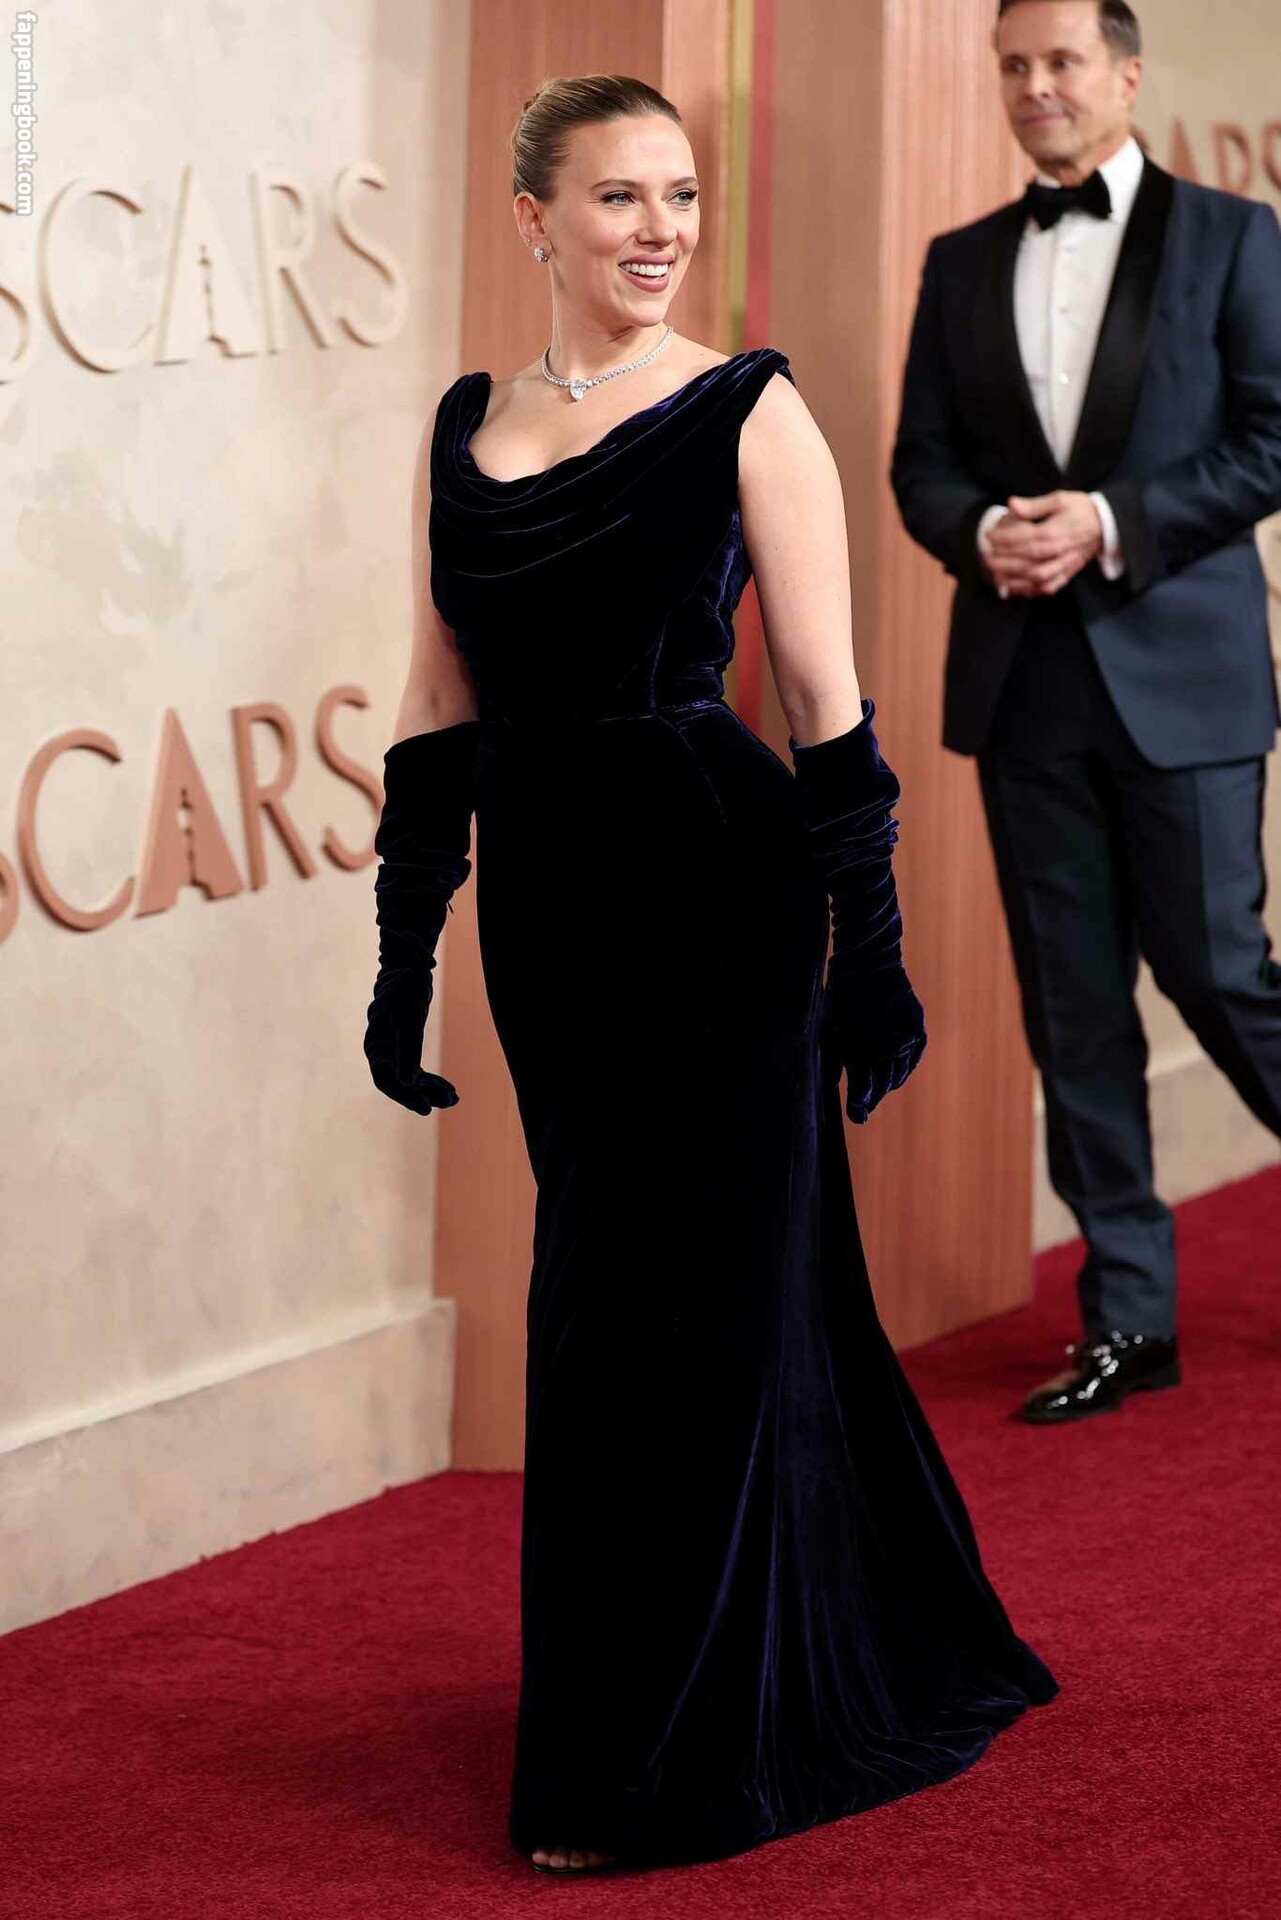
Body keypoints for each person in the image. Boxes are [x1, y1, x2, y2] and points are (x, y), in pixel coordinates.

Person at [363, 74, 1056, 1874]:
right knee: (599, 1314)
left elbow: (824, 709)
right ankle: (645, 1711)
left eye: (679, 195)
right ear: (535, 219)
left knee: (704, 1314)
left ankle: (663, 1755)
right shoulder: (462, 425)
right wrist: (402, 951)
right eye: (620, 198)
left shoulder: (750, 409)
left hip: (717, 895)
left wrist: (869, 961)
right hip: (550, 918)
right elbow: (437, 704)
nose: (661, 229)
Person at [891, 0, 1281, 1425]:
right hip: (1024, 686)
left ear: (1124, 73)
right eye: (1014, 65)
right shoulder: (959, 261)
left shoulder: (1233, 237)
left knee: (1219, 976)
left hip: (1184, 677)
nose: (1035, 86)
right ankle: (1128, 1318)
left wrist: (1110, 522)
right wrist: (979, 530)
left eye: (1060, 61)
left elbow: (1272, 437)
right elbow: (920, 462)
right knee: (1072, 1012)